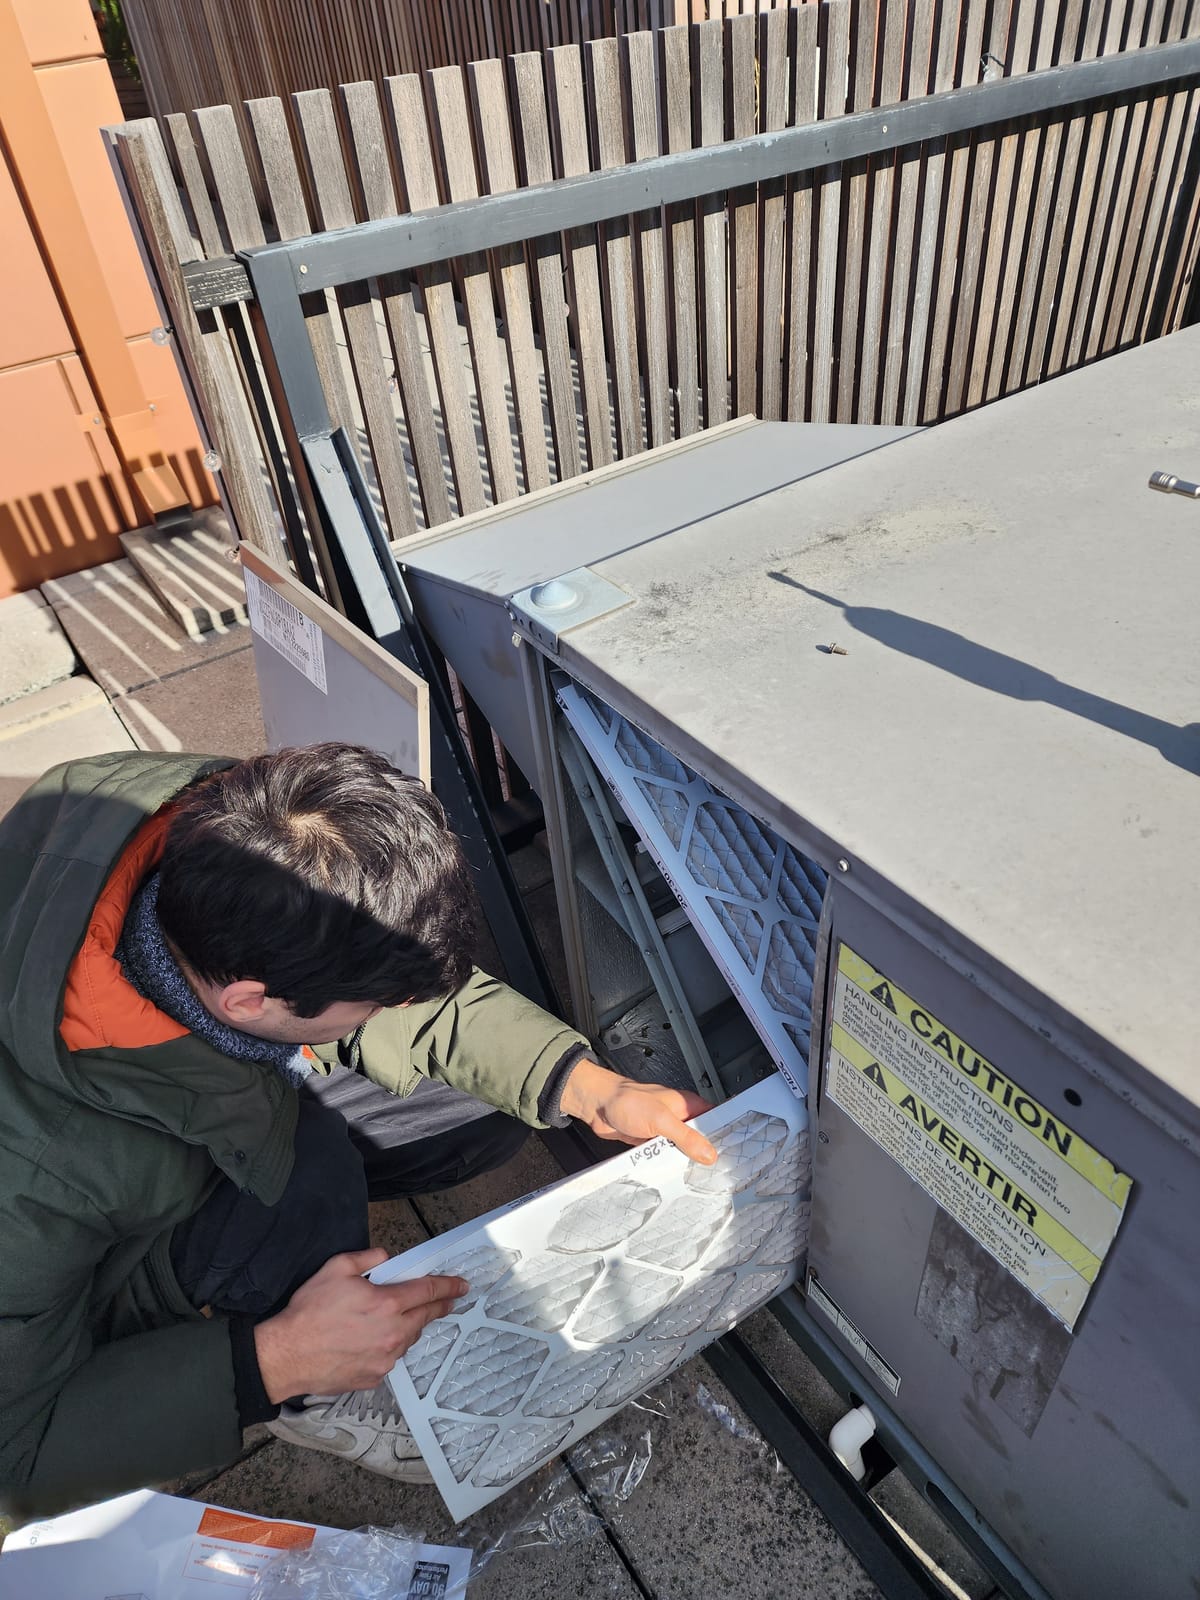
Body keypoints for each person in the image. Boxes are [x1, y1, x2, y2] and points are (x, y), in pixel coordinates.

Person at [0, 744, 716, 1518]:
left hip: (172, 1089)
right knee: (310, 1170)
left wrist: (585, 1084)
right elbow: (17, 1454)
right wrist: (268, 1363)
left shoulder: (228, 811)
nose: (396, 1010)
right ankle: (314, 1394)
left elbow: (382, 969)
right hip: (84, 1274)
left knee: (484, 1110)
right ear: (247, 1002)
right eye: (374, 1004)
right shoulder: (34, 1185)